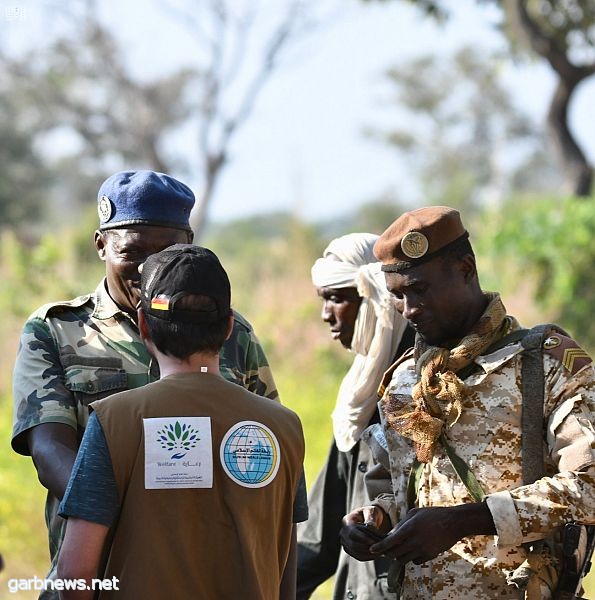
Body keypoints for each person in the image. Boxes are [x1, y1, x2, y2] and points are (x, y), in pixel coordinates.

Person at [11, 170, 278, 599]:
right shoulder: (58, 330)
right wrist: (131, 514)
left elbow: (261, 446)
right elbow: (48, 448)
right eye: (132, 252)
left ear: (189, 242)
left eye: (168, 250)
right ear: (101, 245)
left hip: (206, 573)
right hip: (100, 571)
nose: (149, 269)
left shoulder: (230, 331)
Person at [340, 206, 595, 599]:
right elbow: (410, 491)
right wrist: (376, 518)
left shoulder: (546, 364)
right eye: (397, 296)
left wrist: (463, 521)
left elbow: (588, 487)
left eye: (419, 289)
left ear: (465, 268)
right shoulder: (407, 379)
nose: (408, 310)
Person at [57, 244, 307, 599]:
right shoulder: (284, 427)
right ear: (229, 327)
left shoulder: (114, 420)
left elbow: (75, 571)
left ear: (143, 324)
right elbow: (285, 558)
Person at [298, 233, 413, 599]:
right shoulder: (360, 391)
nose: (325, 314)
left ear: (375, 297)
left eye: (336, 298)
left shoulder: (422, 381)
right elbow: (318, 535)